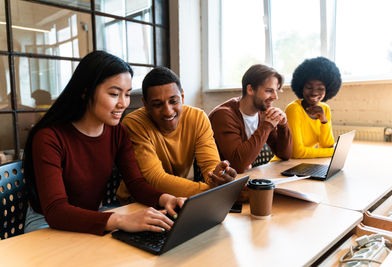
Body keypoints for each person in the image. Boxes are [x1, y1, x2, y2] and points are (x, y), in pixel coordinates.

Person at [23, 51, 185, 236]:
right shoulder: (49, 137)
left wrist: (166, 199)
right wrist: (120, 220)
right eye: (115, 94)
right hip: (46, 222)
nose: (123, 103)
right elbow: (56, 211)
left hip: (92, 216)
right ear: (86, 91)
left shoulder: (118, 132)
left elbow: (136, 183)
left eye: (127, 94)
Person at [116, 66, 237, 200]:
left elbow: (210, 169)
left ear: (182, 97)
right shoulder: (134, 124)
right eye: (157, 104)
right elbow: (156, 179)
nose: (168, 111)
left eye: (173, 101)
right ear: (145, 105)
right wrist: (213, 191)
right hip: (137, 201)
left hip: (177, 198)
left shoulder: (197, 118)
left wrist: (218, 177)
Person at [209, 64, 292, 173]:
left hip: (246, 178)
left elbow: (284, 154)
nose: (275, 97)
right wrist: (267, 126)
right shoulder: (223, 115)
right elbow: (238, 165)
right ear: (250, 89)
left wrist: (283, 125)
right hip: (219, 184)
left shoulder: (262, 112)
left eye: (276, 91)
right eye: (269, 91)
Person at [285, 57, 342, 158]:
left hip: (306, 164)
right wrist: (334, 152)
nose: (314, 93)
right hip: (284, 166)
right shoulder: (293, 109)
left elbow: (326, 145)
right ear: (301, 87)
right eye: (309, 87)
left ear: (328, 89)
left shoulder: (325, 109)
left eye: (320, 88)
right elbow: (297, 153)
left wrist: (324, 121)